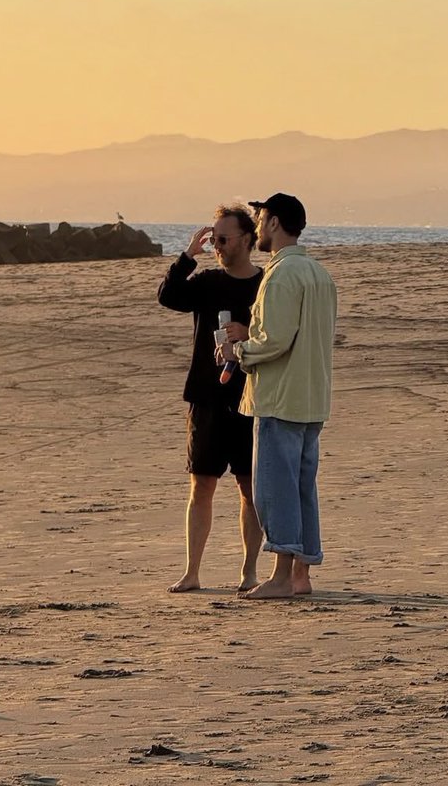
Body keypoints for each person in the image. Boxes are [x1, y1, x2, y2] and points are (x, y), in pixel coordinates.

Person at [219, 193, 337, 600]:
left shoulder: (283, 273)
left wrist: (240, 351)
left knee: (274, 489)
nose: (256, 227)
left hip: (281, 396)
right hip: (311, 396)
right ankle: (301, 573)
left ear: (273, 223)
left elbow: (275, 340)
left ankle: (284, 575)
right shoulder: (319, 273)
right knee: (302, 487)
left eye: (261, 218)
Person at [157, 204, 263, 593]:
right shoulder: (205, 282)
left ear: (247, 240)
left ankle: (249, 571)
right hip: (206, 396)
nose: (216, 245)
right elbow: (168, 296)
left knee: (250, 488)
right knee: (201, 484)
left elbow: (283, 334)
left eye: (223, 238)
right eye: (212, 239)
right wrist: (188, 255)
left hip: (252, 398)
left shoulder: (266, 284)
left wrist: (247, 331)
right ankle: (192, 571)